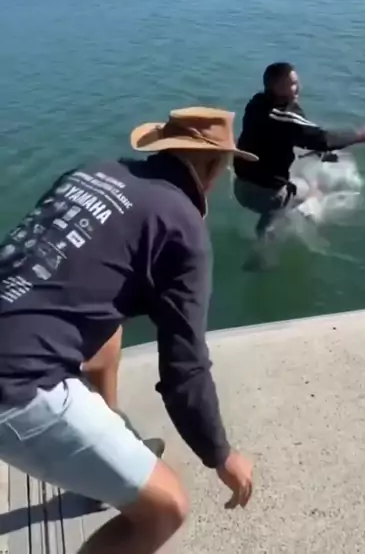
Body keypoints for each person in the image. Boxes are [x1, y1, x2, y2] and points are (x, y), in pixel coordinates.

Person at [0, 107, 256, 554]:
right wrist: (220, 454)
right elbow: (184, 369)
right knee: (166, 508)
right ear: (214, 166)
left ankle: (108, 450)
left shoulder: (92, 172)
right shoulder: (182, 226)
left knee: (109, 326)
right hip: (17, 383)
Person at [234, 62, 365, 236]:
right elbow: (323, 139)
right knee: (312, 191)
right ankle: (268, 234)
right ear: (278, 87)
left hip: (240, 187)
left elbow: (285, 134)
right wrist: (359, 135)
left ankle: (268, 223)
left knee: (284, 180)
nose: (299, 88)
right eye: (293, 84)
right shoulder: (286, 117)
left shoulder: (256, 103)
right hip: (264, 196)